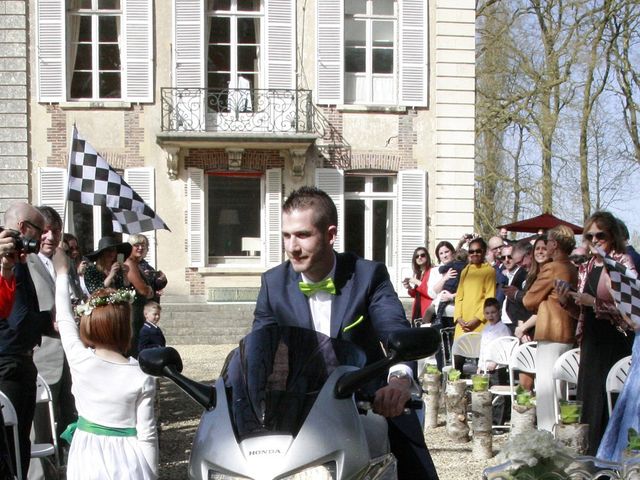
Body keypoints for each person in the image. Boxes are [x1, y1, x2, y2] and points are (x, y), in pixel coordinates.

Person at [253, 186, 439, 479]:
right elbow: (259, 349)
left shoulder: (368, 275)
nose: (292, 247)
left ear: (330, 234)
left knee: (414, 468)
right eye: (286, 236)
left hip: (369, 403)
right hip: (299, 410)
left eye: (302, 235)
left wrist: (399, 379)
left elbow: (393, 328)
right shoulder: (272, 284)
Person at [52, 247, 159, 479]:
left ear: (89, 324)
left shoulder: (80, 360)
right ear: (126, 328)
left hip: (86, 456)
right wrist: (151, 474)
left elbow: (64, 317)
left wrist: (61, 273)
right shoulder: (141, 375)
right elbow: (148, 436)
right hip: (129, 459)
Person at [558, 211, 635, 455]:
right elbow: (580, 311)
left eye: (600, 234)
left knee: (607, 399)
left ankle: (608, 455)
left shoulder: (622, 263)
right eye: (589, 235)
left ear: (612, 235)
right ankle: (588, 456)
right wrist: (566, 301)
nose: (594, 239)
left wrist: (595, 303)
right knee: (589, 400)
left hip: (614, 341)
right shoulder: (588, 265)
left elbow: (633, 310)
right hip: (591, 341)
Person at [27, 206, 79, 479]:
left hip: (69, 355)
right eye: (44, 231)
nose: (49, 237)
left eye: (55, 231)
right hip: (43, 357)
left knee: (67, 422)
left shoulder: (61, 261)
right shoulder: (28, 262)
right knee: (41, 428)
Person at [0, 202, 47, 477]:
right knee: (13, 449)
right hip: (10, 364)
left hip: (16, 362)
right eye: (40, 233)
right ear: (23, 229)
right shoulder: (13, 260)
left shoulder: (13, 263)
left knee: (17, 448)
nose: (42, 240)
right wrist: (50, 321)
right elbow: (16, 322)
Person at [522, 225, 578, 432]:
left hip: (551, 332)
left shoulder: (552, 268)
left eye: (549, 242)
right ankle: (562, 433)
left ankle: (548, 435)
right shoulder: (572, 268)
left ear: (554, 244)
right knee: (561, 388)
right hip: (568, 332)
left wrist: (541, 299)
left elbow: (529, 300)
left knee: (546, 387)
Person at [476, 297, 512, 425]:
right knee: (488, 393)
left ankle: (499, 421)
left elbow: (506, 347)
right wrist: (480, 365)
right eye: (487, 313)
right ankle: (489, 419)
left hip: (497, 367)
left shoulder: (503, 329)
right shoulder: (486, 329)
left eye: (493, 312)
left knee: (499, 395)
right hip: (485, 366)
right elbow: (483, 349)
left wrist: (496, 362)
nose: (490, 316)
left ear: (499, 312)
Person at [427, 241, 461, 370]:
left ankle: (456, 373)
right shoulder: (436, 271)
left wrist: (452, 296)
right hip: (439, 314)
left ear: (452, 252)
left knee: (455, 345)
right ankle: (442, 373)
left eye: (447, 252)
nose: (445, 255)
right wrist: (445, 278)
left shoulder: (461, 267)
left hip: (456, 313)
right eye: (441, 253)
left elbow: (467, 291)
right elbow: (432, 292)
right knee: (440, 346)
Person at [125, 234, 156, 357]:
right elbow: (142, 290)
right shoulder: (130, 263)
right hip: (134, 310)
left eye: (143, 245)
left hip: (140, 309)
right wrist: (149, 289)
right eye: (136, 245)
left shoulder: (137, 264)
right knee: (135, 342)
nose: (140, 248)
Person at [498, 244, 528, 335]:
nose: (506, 260)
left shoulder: (523, 274)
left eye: (509, 257)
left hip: (516, 323)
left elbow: (525, 301)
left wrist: (522, 326)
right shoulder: (503, 276)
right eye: (503, 258)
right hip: (503, 322)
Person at [402, 247, 433, 326]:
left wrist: (417, 282)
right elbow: (417, 294)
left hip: (427, 310)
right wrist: (409, 287)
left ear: (427, 257)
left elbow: (431, 292)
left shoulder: (432, 271)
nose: (419, 257)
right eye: (417, 256)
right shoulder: (418, 273)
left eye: (422, 255)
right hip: (417, 308)